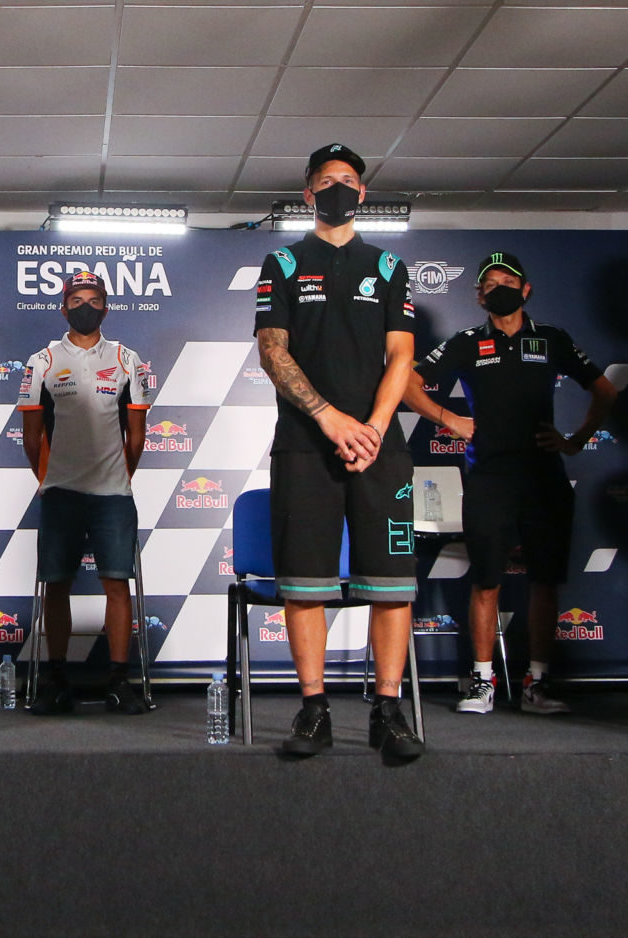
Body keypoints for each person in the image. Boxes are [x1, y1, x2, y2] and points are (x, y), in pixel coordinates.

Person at [254, 143, 423, 764]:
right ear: (308, 195)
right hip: (305, 445)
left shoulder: (388, 266)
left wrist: (373, 429)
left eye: (348, 181)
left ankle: (388, 710)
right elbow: (273, 352)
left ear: (363, 190)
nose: (338, 189)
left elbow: (402, 357)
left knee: (392, 588)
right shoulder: (283, 263)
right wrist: (329, 418)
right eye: (326, 182)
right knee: (304, 587)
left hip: (380, 448)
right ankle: (314, 710)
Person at [401, 252, 617, 715]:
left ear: (526, 290)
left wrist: (576, 439)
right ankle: (482, 684)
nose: (498, 287)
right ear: (478, 295)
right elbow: (406, 383)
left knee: (544, 582)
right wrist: (447, 418)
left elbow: (605, 391)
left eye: (507, 281)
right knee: (485, 581)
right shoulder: (465, 342)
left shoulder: (553, 340)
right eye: (489, 283)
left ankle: (536, 685)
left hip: (544, 476)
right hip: (489, 478)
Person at [16, 270, 152, 716]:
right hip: (61, 493)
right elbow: (31, 436)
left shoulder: (129, 359)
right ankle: (56, 680)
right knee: (56, 586)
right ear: (63, 307)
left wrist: (120, 477)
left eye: (93, 299)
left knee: (118, 584)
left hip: (113, 494)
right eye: (76, 300)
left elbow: (137, 435)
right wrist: (47, 480)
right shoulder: (42, 360)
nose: (85, 306)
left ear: (106, 307)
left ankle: (118, 680)